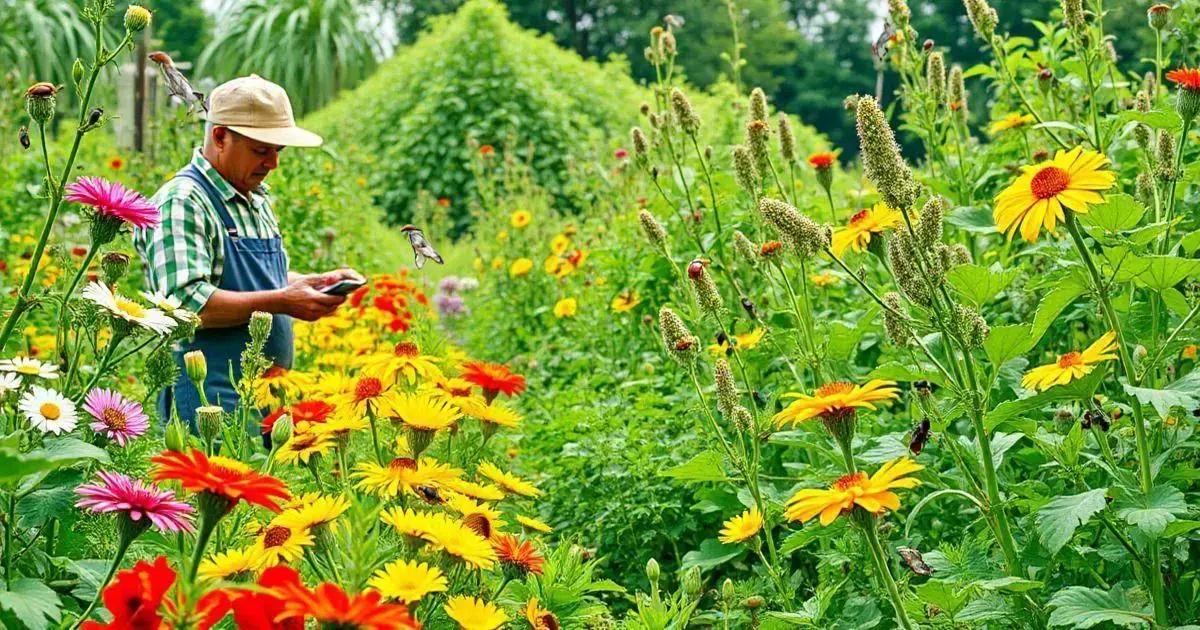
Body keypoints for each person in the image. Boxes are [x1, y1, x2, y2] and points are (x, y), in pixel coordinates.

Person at [134, 74, 361, 431]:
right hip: (208, 401)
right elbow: (186, 305)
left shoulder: (254, 198)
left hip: (265, 397)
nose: (273, 163)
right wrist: (284, 301)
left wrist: (312, 284)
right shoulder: (183, 202)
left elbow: (256, 282)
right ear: (220, 136)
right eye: (261, 150)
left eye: (278, 151)